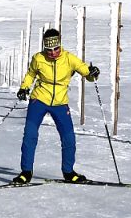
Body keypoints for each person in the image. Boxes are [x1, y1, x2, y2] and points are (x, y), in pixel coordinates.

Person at [12, 29, 100, 184]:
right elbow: (31, 74)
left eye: (56, 49)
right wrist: (24, 88)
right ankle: (26, 172)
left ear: (60, 44)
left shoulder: (69, 59)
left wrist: (93, 73)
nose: (53, 53)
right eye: (49, 50)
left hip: (60, 102)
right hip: (39, 99)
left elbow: (87, 73)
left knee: (68, 138)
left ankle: (68, 172)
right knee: (30, 135)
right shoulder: (38, 58)